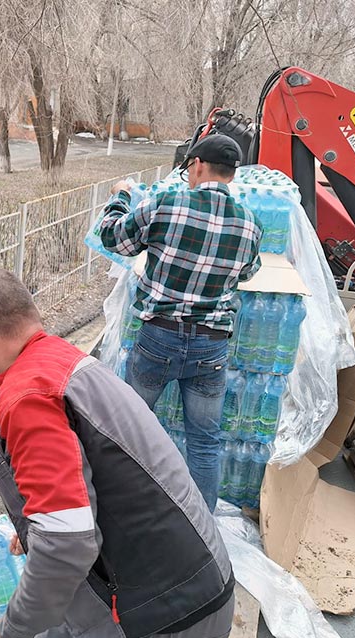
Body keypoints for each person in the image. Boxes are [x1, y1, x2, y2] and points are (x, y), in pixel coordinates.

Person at [0, 269, 235, 638]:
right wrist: (38, 526)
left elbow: (68, 543)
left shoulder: (26, 396)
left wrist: (11, 633)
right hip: (146, 580)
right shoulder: (60, 360)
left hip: (168, 614)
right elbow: (79, 492)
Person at [99, 135, 261, 512]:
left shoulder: (167, 204)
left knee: (131, 431)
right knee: (204, 443)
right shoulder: (249, 223)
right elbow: (248, 272)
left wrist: (120, 196)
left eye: (190, 166)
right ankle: (201, 529)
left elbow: (113, 238)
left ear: (199, 164)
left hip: (159, 338)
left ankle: (123, 511)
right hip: (211, 346)